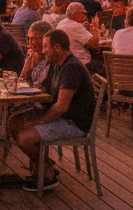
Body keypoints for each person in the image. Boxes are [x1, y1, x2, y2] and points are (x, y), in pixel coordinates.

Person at [8, 29, 97, 191]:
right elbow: (53, 94)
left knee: (24, 138)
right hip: (62, 117)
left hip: (74, 123)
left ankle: (46, 175)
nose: (43, 51)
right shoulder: (57, 64)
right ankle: (45, 165)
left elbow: (61, 106)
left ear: (57, 47)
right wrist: (42, 90)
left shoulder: (71, 68)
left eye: (45, 47)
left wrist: (40, 121)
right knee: (13, 123)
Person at [55, 2, 103, 74]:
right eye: (83, 14)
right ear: (77, 14)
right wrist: (95, 27)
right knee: (103, 65)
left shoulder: (61, 23)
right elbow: (94, 44)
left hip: (65, 63)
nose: (85, 17)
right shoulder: (76, 26)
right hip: (81, 63)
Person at [21, 21, 56, 88]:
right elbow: (23, 77)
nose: (31, 42)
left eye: (35, 39)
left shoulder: (53, 57)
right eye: (29, 38)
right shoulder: (31, 53)